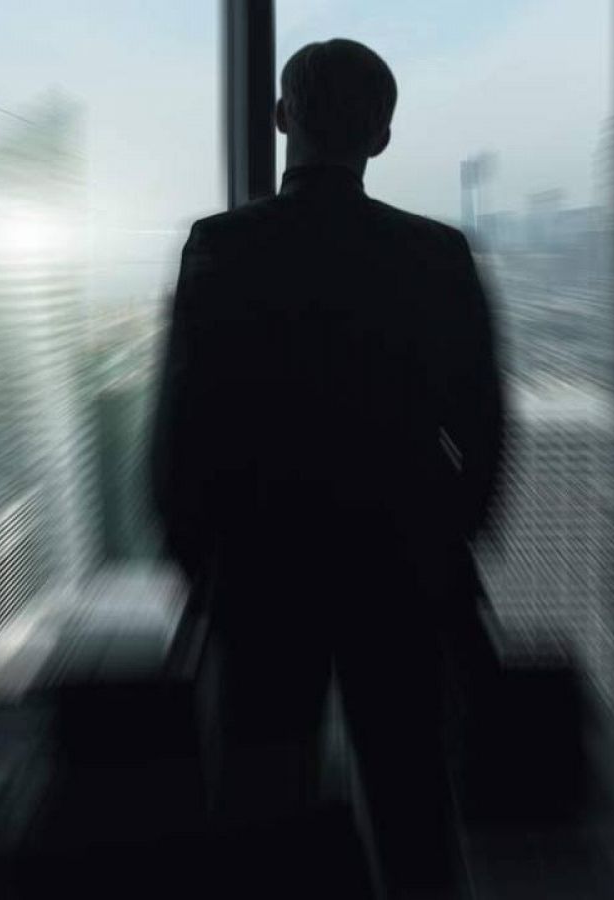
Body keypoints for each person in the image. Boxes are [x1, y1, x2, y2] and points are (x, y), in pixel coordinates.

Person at [150, 38, 506, 897]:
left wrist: (201, 562)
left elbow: (181, 429)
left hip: (261, 567)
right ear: (380, 138)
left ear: (280, 119)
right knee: (414, 806)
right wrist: (447, 539)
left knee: (262, 815)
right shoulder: (437, 255)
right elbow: (485, 427)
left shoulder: (219, 248)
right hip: (401, 566)